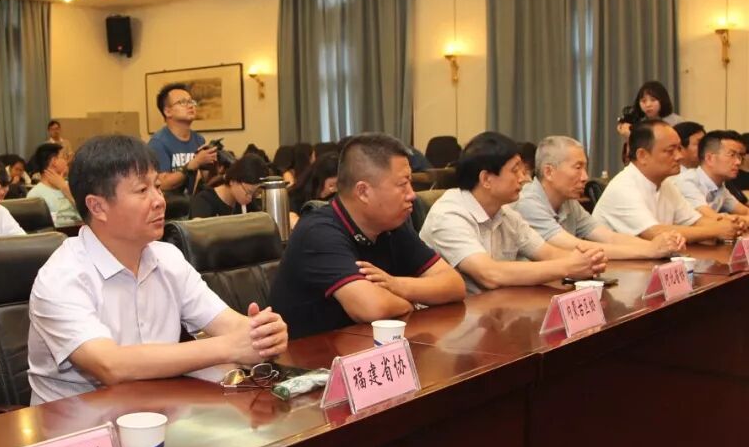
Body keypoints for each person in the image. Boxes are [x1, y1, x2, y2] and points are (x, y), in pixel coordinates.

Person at [26, 135, 288, 404]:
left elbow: (228, 323)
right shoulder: (61, 276)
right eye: (142, 190)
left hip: (161, 408)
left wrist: (262, 334)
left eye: (158, 187)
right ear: (98, 206)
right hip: (76, 422)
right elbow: (110, 365)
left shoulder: (167, 258)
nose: (159, 200)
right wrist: (230, 346)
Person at [269, 134, 465, 339]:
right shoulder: (318, 232)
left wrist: (396, 284)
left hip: (365, 346)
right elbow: (372, 307)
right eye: (402, 184)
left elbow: (454, 284)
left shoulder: (392, 225)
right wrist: (410, 302)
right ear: (363, 192)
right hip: (310, 355)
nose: (412, 194)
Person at [419, 132, 607, 294]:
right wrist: (568, 266)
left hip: (495, 310)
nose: (524, 178)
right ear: (486, 179)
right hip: (449, 320)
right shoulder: (449, 215)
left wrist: (587, 260)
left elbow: (547, 253)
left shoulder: (507, 214)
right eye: (515, 171)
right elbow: (489, 274)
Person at [512, 136, 685, 260]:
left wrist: (660, 245)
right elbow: (575, 247)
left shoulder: (569, 202)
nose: (585, 177)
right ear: (549, 171)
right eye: (578, 168)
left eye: (585, 168)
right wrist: (650, 250)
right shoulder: (528, 203)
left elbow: (609, 237)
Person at [593, 121, 741, 244]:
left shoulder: (666, 184)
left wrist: (728, 225)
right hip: (615, 267)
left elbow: (694, 221)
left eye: (679, 149)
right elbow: (654, 233)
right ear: (642, 155)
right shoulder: (623, 187)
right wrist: (716, 230)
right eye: (670, 151)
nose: (679, 156)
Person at [147, 83, 217, 193]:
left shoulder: (199, 139)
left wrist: (213, 165)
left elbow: (205, 180)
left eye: (191, 102)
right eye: (183, 102)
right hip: (169, 202)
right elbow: (163, 184)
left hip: (193, 201)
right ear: (167, 111)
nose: (190, 106)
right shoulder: (158, 143)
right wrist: (193, 164)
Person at [674, 130, 749, 225]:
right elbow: (716, 221)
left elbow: (745, 211)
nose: (738, 162)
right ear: (709, 158)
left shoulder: (720, 187)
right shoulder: (687, 182)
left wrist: (732, 218)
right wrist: (729, 218)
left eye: (740, 156)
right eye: (732, 155)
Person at [616, 81, 683, 165]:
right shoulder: (639, 124)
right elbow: (630, 159)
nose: (648, 105)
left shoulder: (676, 122)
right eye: (643, 101)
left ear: (662, 101)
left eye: (653, 100)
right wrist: (629, 137)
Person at [189, 154, 267, 219]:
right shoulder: (204, 201)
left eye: (254, 194)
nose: (250, 198)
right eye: (248, 192)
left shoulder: (245, 203)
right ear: (233, 181)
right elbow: (198, 229)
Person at [27, 142, 81, 226]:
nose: (67, 162)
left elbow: (89, 215)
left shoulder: (73, 186)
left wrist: (65, 188)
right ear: (54, 161)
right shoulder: (35, 195)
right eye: (64, 157)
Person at [288, 152, 339, 227]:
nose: (335, 190)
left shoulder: (339, 197)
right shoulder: (297, 195)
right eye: (332, 185)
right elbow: (292, 219)